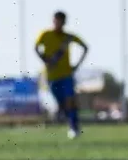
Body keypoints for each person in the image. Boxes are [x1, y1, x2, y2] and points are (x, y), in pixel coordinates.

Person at [35, 11, 88, 139]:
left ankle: (73, 127)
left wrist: (77, 65)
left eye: (60, 21)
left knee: (70, 99)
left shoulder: (68, 37)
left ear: (64, 22)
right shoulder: (45, 35)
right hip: (52, 76)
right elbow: (36, 47)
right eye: (55, 20)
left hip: (67, 74)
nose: (57, 23)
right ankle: (71, 122)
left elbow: (85, 47)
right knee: (62, 103)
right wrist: (45, 59)